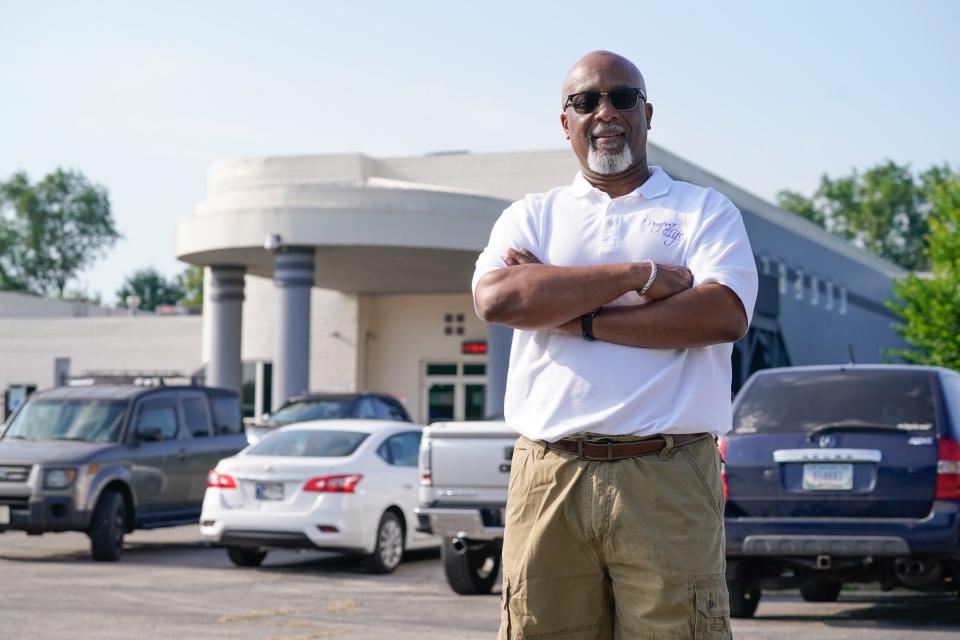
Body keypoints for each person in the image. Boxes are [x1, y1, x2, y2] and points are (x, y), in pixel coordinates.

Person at [472, 50, 758, 639]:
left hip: (668, 474)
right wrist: (638, 277)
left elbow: (722, 314)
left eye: (622, 98)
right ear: (565, 121)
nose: (606, 112)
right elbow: (499, 300)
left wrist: (570, 311)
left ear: (647, 113)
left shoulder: (704, 211)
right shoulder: (533, 215)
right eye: (586, 100)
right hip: (551, 474)